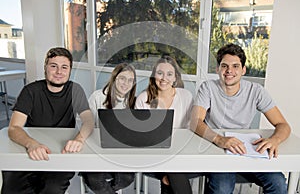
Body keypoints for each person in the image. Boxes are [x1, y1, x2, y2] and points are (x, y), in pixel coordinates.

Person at [191, 43, 291, 194]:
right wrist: (220, 140)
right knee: (222, 189)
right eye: (224, 66)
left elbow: (282, 124)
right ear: (218, 69)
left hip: (246, 150)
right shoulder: (208, 88)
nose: (229, 70)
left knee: (278, 183)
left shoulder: (256, 91)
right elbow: (195, 122)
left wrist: (275, 140)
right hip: (218, 150)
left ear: (243, 70)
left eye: (235, 66)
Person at [1, 47, 94, 194]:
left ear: (70, 70)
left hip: (60, 153)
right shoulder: (30, 91)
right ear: (45, 68)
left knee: (52, 188)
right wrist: (31, 144)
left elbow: (89, 121)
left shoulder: (75, 90)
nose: (59, 72)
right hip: (30, 148)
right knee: (12, 188)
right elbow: (14, 128)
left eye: (64, 67)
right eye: (53, 66)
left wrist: (79, 139)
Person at [135, 56, 194, 194]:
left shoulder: (186, 96)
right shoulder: (143, 99)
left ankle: (165, 175)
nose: (164, 78)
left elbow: (192, 127)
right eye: (160, 73)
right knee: (174, 173)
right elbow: (141, 134)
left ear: (175, 78)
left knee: (171, 176)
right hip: (153, 152)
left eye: (169, 74)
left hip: (181, 151)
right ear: (154, 75)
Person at [81, 63, 136, 194]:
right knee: (95, 180)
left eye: (130, 80)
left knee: (127, 178)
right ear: (114, 78)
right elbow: (88, 126)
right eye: (122, 78)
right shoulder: (97, 97)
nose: (126, 83)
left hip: (121, 153)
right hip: (97, 150)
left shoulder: (134, 102)